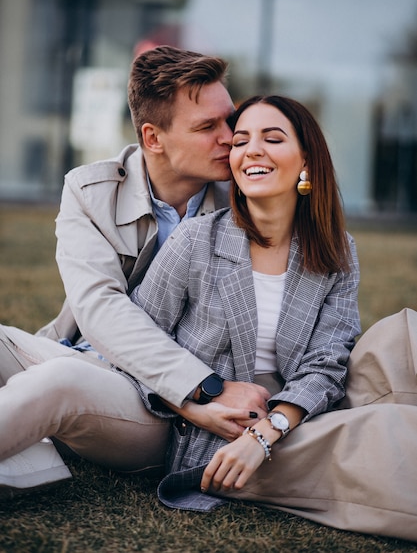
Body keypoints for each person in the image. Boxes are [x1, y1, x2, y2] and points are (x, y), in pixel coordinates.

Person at [130, 95, 417, 542]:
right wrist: (199, 408)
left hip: (297, 416)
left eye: (273, 138)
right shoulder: (196, 241)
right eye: (241, 141)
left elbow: (329, 360)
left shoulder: (337, 249)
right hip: (226, 438)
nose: (252, 150)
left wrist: (272, 428)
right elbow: (138, 344)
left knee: (406, 333)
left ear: (307, 161)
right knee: (387, 431)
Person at [0, 46, 270, 495]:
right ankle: (32, 455)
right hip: (86, 357)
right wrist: (204, 388)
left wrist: (199, 392)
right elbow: (98, 307)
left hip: (162, 409)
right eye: (208, 127)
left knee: (60, 382)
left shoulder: (249, 206)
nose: (231, 138)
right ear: (153, 137)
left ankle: (36, 437)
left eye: (231, 120)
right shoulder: (90, 190)